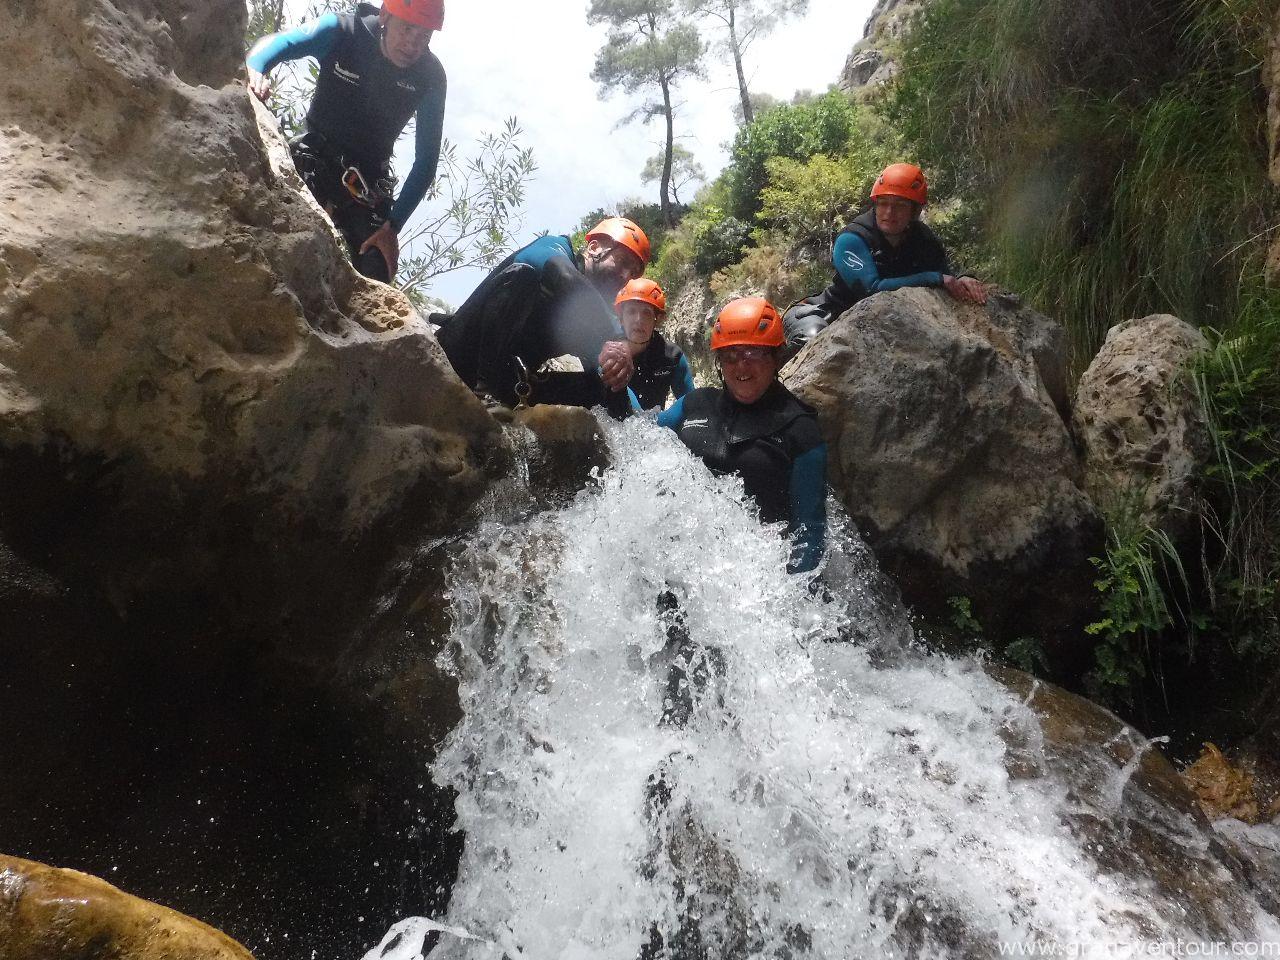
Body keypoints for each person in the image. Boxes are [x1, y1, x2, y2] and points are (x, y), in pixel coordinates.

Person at [246, 0, 447, 283]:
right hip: (313, 157)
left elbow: (426, 160)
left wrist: (392, 226)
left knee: (377, 271)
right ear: (386, 15)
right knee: (282, 234)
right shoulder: (343, 30)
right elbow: (280, 42)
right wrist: (255, 68)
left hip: (365, 183)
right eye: (408, 29)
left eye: (424, 36)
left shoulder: (429, 75)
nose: (413, 45)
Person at [657, 297, 827, 575]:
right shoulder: (694, 404)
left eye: (754, 353)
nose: (741, 367)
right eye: (731, 354)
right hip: (681, 564)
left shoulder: (800, 430)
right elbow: (638, 439)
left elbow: (809, 533)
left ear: (776, 356)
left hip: (753, 580)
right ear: (720, 362)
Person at [436, 218, 650, 410]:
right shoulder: (555, 247)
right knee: (523, 276)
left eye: (632, 273)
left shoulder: (590, 320)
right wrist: (616, 337)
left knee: (602, 384)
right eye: (622, 262)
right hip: (460, 352)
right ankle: (483, 393)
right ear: (594, 247)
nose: (625, 276)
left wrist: (617, 375)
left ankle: (504, 399)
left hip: (509, 382)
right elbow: (565, 277)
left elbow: (609, 380)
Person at [783, 162, 988, 355]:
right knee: (811, 341)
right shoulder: (852, 239)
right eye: (883, 204)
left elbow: (946, 275)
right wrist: (935, 278)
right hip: (820, 313)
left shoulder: (922, 238)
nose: (889, 213)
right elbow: (871, 289)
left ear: (914, 211)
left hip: (875, 321)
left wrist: (964, 279)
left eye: (899, 205)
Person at [613, 278, 695, 411]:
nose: (638, 320)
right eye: (631, 311)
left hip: (655, 428)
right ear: (621, 318)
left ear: (657, 320)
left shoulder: (671, 356)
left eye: (646, 313)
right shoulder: (607, 351)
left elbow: (690, 403)